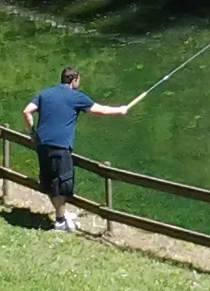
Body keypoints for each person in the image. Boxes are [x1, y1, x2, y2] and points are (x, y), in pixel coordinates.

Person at [23, 67, 133, 231]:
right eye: (79, 80)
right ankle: (60, 221)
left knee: (49, 181)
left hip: (43, 145)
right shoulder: (76, 97)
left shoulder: (45, 94)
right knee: (63, 184)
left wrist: (32, 133)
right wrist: (120, 110)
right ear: (74, 80)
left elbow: (27, 111)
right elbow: (101, 110)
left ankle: (61, 214)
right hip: (61, 147)